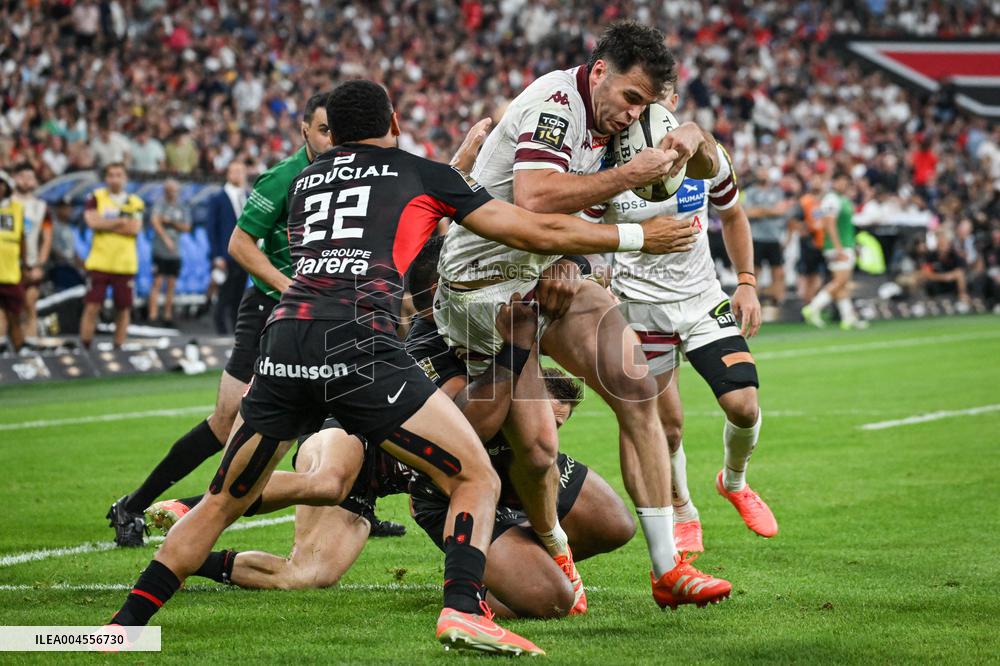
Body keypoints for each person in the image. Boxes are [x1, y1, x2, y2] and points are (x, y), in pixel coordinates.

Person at [105, 79, 698, 656]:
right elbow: (532, 226)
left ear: (330, 134)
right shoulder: (418, 171)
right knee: (475, 478)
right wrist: (634, 236)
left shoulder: (306, 180)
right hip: (359, 342)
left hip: (285, 337)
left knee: (220, 500)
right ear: (393, 124)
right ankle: (464, 611)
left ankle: (119, 627)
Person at [435, 19, 732, 610]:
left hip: (544, 272)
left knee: (638, 388)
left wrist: (696, 139)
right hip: (480, 287)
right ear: (600, 73)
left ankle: (668, 568)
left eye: (645, 106)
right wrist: (633, 222)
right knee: (540, 448)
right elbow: (536, 199)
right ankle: (552, 540)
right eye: (628, 98)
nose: (632, 115)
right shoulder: (555, 103)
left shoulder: (626, 122)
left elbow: (703, 173)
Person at [105, 92, 336, 547]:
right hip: (270, 307)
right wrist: (289, 287)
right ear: (304, 130)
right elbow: (239, 245)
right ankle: (132, 505)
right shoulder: (283, 178)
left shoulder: (348, 177)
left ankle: (354, 507)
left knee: (331, 418)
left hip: (320, 314)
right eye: (324, 129)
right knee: (225, 420)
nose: (333, 139)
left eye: (339, 130)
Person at [586, 90, 776, 554]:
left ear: (672, 98)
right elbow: (586, 234)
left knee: (744, 405)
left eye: (664, 93)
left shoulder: (705, 158)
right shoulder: (604, 164)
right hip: (640, 308)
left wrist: (747, 282)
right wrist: (602, 274)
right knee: (666, 428)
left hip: (701, 300)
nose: (656, 102)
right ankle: (683, 509)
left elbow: (733, 215)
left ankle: (734, 482)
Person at [79, 162, 144, 349]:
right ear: (106, 178)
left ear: (125, 178)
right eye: (111, 175)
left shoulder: (135, 201)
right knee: (92, 306)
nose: (115, 178)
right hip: (99, 262)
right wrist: (120, 221)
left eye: (119, 174)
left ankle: (118, 347)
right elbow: (92, 222)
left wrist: (105, 223)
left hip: (124, 263)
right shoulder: (96, 197)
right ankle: (85, 346)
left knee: (123, 308)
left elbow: (134, 228)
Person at [802, 171, 868, 329]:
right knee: (840, 281)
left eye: (845, 181)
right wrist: (839, 248)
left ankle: (848, 318)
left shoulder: (843, 199)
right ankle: (812, 308)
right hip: (838, 246)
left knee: (842, 284)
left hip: (846, 244)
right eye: (840, 181)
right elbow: (829, 223)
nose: (843, 184)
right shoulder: (831, 199)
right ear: (834, 183)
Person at [207, 160, 249, 334]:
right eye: (234, 171)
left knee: (239, 295)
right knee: (224, 294)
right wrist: (217, 256)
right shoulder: (217, 198)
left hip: (245, 255)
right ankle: (221, 329)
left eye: (241, 171)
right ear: (228, 173)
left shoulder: (248, 196)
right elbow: (212, 229)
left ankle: (235, 330)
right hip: (225, 255)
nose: (238, 174)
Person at [11, 163, 50, 340]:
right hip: (8, 265)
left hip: (32, 264)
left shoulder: (41, 207)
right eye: (22, 176)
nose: (26, 181)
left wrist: (40, 265)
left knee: (30, 305)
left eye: (30, 177)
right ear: (14, 178)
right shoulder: (5, 204)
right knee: (8, 309)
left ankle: (30, 348)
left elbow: (46, 238)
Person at [743, 168, 791, 306]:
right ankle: (753, 302)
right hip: (756, 237)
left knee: (778, 272)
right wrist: (771, 210)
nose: (763, 174)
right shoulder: (750, 192)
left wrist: (761, 210)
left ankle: (777, 302)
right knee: (754, 272)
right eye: (761, 171)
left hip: (774, 238)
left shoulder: (777, 191)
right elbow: (748, 213)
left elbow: (782, 210)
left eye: (765, 171)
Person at [148, 179, 190, 325]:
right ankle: (152, 315)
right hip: (160, 250)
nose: (172, 193)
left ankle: (167, 315)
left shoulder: (182, 207)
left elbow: (186, 227)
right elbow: (155, 221)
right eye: (169, 190)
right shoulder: (160, 205)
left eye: (174, 190)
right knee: (157, 282)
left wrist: (170, 222)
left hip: (175, 251)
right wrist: (166, 238)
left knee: (172, 283)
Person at [0, 173, 26, 351]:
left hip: (11, 272)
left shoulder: (17, 208)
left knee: (15, 314)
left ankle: (19, 347)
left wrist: (26, 264)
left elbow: (22, 238)